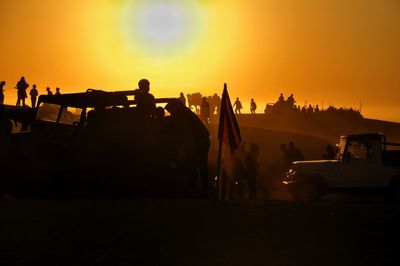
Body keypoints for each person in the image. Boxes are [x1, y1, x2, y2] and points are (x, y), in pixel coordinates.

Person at [165, 99, 210, 198]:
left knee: (198, 165)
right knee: (196, 165)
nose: (171, 113)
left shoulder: (183, 116)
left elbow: (184, 132)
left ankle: (201, 190)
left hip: (200, 142)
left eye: (171, 111)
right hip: (199, 141)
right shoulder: (184, 114)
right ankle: (198, 189)